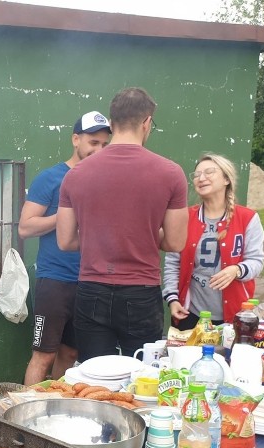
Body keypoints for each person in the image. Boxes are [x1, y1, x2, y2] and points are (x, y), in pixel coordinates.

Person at [56, 87, 187, 361]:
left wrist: (98, 234)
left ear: (112, 123)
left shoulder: (75, 175)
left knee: (95, 377)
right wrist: (145, 231)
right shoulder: (171, 173)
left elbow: (65, 241)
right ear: (147, 122)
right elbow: (175, 242)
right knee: (143, 378)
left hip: (91, 289)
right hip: (141, 291)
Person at [18, 111, 111, 385]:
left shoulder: (105, 182)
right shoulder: (51, 178)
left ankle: (55, 409)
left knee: (70, 354)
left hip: (91, 281)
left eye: (105, 145)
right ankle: (28, 419)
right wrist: (67, 214)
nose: (99, 150)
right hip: (55, 280)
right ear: (75, 139)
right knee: (43, 356)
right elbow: (25, 228)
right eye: (93, 142)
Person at [163, 153, 264, 330]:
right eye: (196, 175)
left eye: (209, 172)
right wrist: (173, 299)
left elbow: (256, 261)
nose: (201, 178)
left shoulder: (247, 218)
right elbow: (173, 263)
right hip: (191, 315)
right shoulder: (185, 217)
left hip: (235, 317)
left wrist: (237, 269)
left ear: (226, 179)